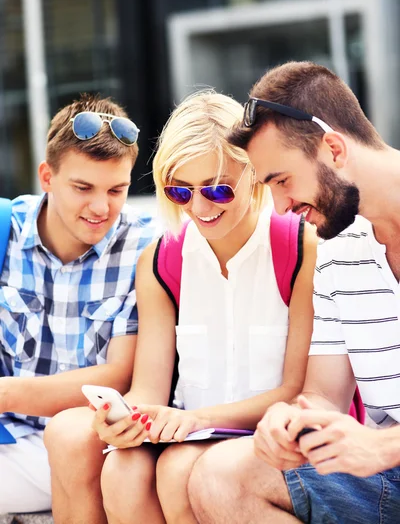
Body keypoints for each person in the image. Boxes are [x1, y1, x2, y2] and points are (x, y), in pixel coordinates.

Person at [44, 90, 317, 524]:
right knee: (122, 469)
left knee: (175, 471)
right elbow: (149, 390)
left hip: (271, 434)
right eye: (180, 191)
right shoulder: (160, 261)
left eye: (219, 189)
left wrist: (193, 420)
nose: (200, 207)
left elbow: (297, 391)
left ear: (253, 174)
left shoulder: (300, 247)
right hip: (188, 431)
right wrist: (123, 420)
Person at [187, 61, 400, 524]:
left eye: (282, 181)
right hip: (391, 476)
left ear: (334, 149)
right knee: (220, 477)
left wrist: (384, 445)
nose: (280, 207)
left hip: (389, 454)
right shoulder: (338, 247)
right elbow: (325, 395)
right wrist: (290, 423)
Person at [0, 94, 157, 515]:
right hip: (9, 436)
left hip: (88, 444)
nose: (101, 207)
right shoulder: (4, 230)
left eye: (117, 189)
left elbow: (120, 374)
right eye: (82, 187)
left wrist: (6, 393)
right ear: (47, 177)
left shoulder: (144, 249)